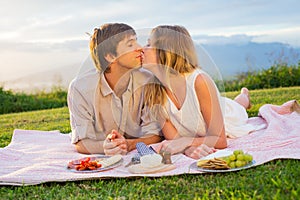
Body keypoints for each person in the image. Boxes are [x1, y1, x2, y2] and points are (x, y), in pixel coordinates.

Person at [142, 25, 257, 159]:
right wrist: (189, 149)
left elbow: (220, 140)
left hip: (227, 117)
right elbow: (175, 140)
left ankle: (245, 95)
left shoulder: (200, 81)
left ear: (167, 51)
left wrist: (187, 141)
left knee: (238, 107)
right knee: (231, 103)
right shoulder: (153, 91)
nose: (142, 49)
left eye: (149, 44)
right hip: (203, 121)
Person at [67, 23, 162, 155]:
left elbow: (155, 134)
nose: (140, 48)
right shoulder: (80, 88)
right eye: (130, 45)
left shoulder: (148, 81)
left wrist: (128, 145)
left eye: (137, 41)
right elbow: (81, 142)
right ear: (110, 56)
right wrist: (105, 147)